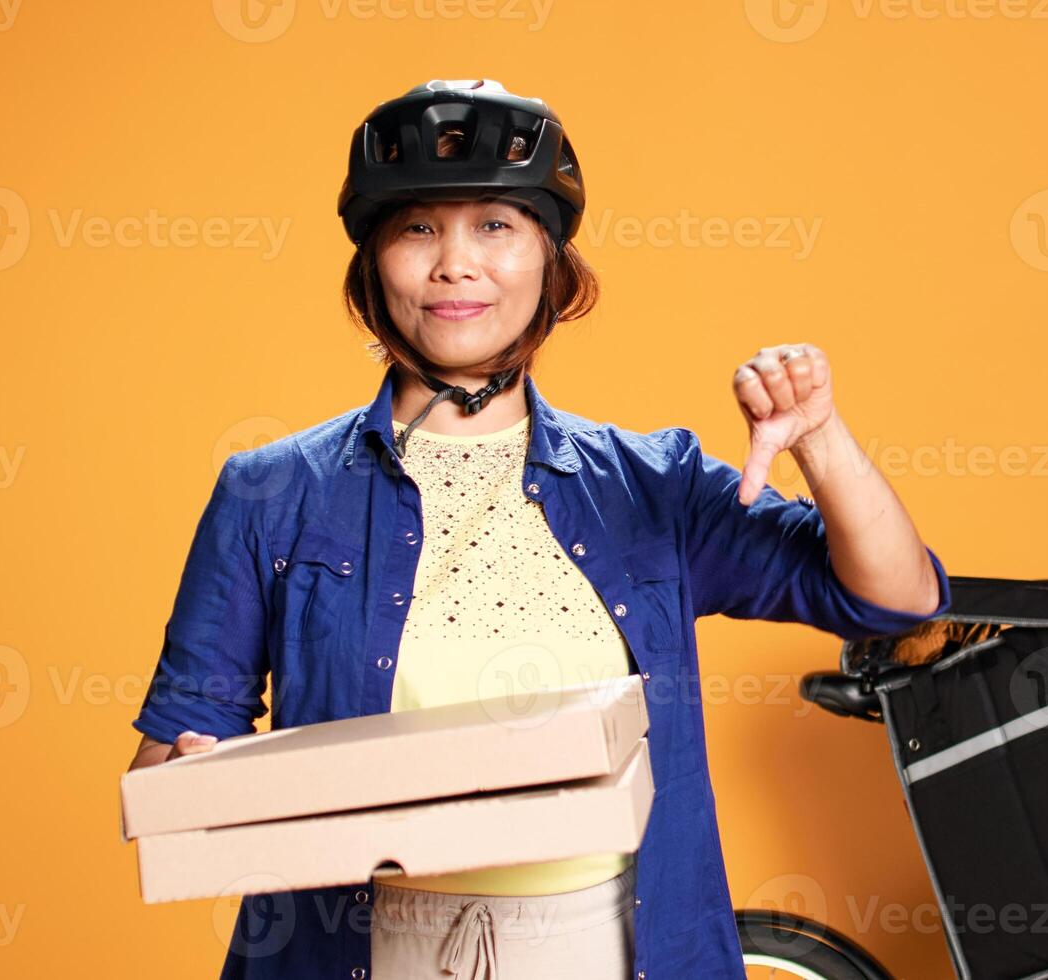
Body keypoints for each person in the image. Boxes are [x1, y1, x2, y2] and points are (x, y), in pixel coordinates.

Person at [125, 78, 951, 979]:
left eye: (494, 225)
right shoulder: (269, 492)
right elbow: (176, 743)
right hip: (358, 950)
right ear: (373, 264)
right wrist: (196, 771)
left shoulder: (653, 485)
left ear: (551, 260)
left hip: (610, 949)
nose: (454, 265)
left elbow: (894, 602)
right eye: (417, 229)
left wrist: (820, 442)